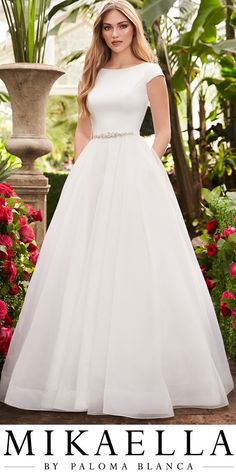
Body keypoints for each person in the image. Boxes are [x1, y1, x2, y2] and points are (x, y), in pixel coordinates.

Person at [0, 0, 234, 419]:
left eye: (122, 26)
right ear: (101, 32)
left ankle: (143, 375)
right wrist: (83, 173)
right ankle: (77, 377)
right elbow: (83, 127)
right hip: (93, 174)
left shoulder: (151, 73)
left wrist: (145, 168)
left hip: (135, 170)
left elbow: (162, 131)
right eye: (107, 27)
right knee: (84, 267)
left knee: (137, 264)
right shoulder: (93, 73)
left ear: (133, 29)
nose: (114, 34)